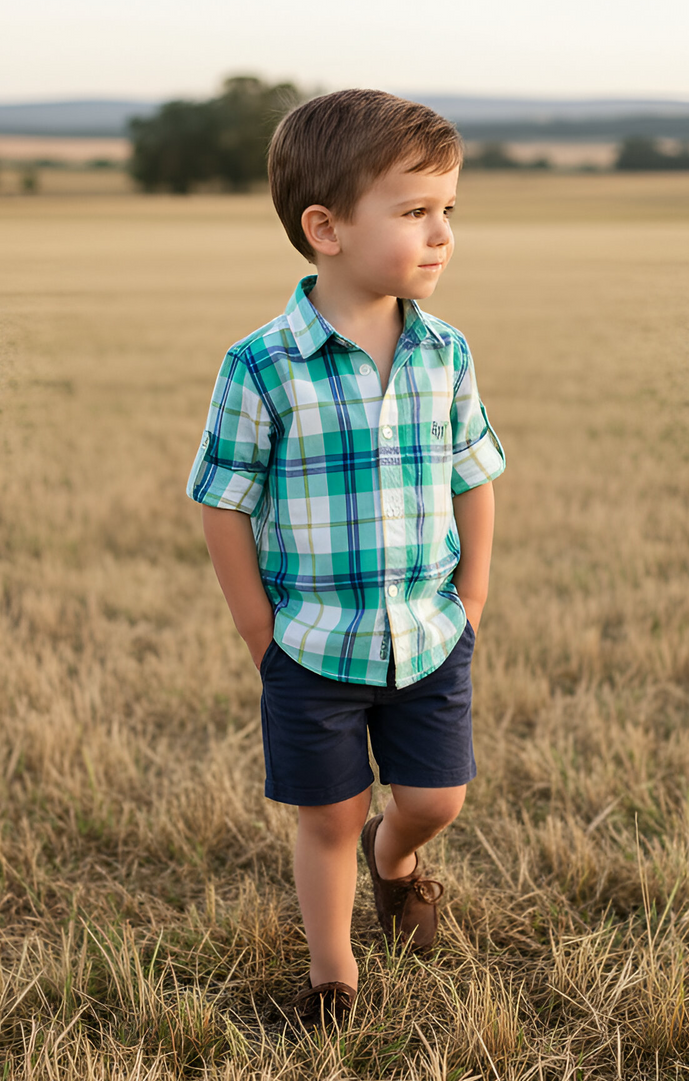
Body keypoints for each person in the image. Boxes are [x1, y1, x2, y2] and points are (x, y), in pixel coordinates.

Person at [186, 88, 505, 1029]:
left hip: (429, 630)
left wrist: (473, 594)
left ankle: (396, 859)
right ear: (324, 228)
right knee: (327, 815)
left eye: (449, 209)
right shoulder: (261, 367)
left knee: (437, 797)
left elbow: (474, 476)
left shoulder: (446, 353)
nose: (442, 232)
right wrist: (260, 630)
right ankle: (335, 978)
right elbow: (223, 501)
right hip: (311, 644)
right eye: (415, 211)